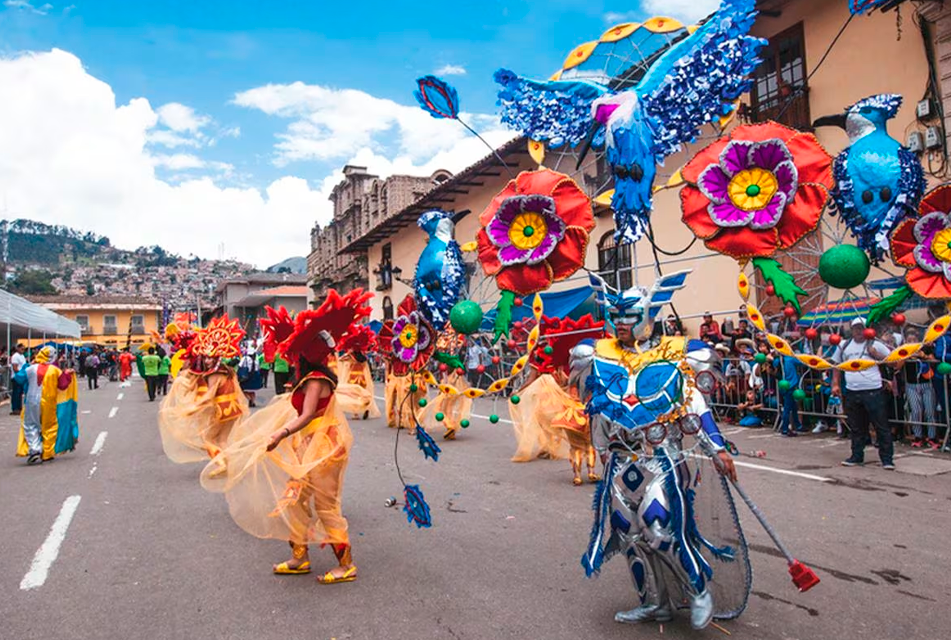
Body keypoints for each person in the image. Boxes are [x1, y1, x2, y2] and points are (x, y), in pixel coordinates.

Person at [576, 272, 745, 630]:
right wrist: (601, 449)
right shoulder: (597, 353)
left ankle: (699, 589)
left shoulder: (679, 353)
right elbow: (597, 406)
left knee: (658, 528)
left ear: (649, 316)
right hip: (620, 462)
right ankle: (655, 603)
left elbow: (696, 404)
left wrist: (718, 448)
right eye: (615, 316)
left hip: (661, 458)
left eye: (629, 317)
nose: (620, 323)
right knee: (628, 535)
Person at [201, 290, 371, 584]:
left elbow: (305, 416)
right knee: (294, 502)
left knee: (326, 506)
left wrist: (279, 433)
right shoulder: (309, 378)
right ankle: (299, 558)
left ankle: (347, 565)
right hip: (308, 447)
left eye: (297, 352)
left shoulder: (316, 380)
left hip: (324, 449)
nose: (293, 356)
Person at [157, 316, 249, 465]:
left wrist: (192, 409)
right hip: (233, 409)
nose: (207, 361)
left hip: (223, 410)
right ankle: (227, 463)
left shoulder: (214, 374)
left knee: (209, 440)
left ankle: (223, 464)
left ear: (217, 357)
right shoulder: (227, 371)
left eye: (210, 358)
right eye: (205, 358)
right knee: (221, 440)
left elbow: (209, 395)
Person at [832, 318, 894, 469]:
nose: (858, 331)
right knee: (857, 427)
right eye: (856, 328)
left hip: (873, 391)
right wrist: (834, 383)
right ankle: (857, 456)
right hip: (852, 391)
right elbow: (836, 365)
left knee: (881, 426)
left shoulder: (875, 344)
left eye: (861, 328)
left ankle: (887, 459)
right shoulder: (843, 345)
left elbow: (893, 361)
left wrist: (877, 355)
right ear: (851, 330)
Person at [14, 346, 80, 465]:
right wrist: (67, 374)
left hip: (31, 401)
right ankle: (47, 453)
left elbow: (19, 378)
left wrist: (27, 365)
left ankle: (34, 450)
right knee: (50, 426)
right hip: (49, 403)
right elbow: (63, 385)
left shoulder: (30, 368)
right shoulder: (55, 370)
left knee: (30, 425)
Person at [901, 328, 939, 448]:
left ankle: (932, 437)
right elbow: (896, 365)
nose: (912, 341)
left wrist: (923, 355)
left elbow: (934, 360)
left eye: (914, 339)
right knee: (916, 411)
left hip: (926, 384)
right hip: (911, 385)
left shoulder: (926, 348)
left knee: (929, 411)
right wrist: (906, 356)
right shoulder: (903, 351)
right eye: (909, 340)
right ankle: (918, 436)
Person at [778, 354, 803, 437]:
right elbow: (802, 362)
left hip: (783, 386)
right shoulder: (790, 359)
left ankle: (798, 425)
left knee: (793, 407)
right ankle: (785, 428)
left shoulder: (778, 360)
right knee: (787, 408)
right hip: (790, 386)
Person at [10, 343, 26, 415]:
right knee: (16, 393)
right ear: (18, 349)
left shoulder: (22, 356)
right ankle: (15, 408)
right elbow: (15, 368)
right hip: (16, 377)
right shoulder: (15, 356)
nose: (23, 350)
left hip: (21, 377)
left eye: (24, 349)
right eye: (22, 349)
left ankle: (19, 407)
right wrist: (20, 374)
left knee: (20, 393)